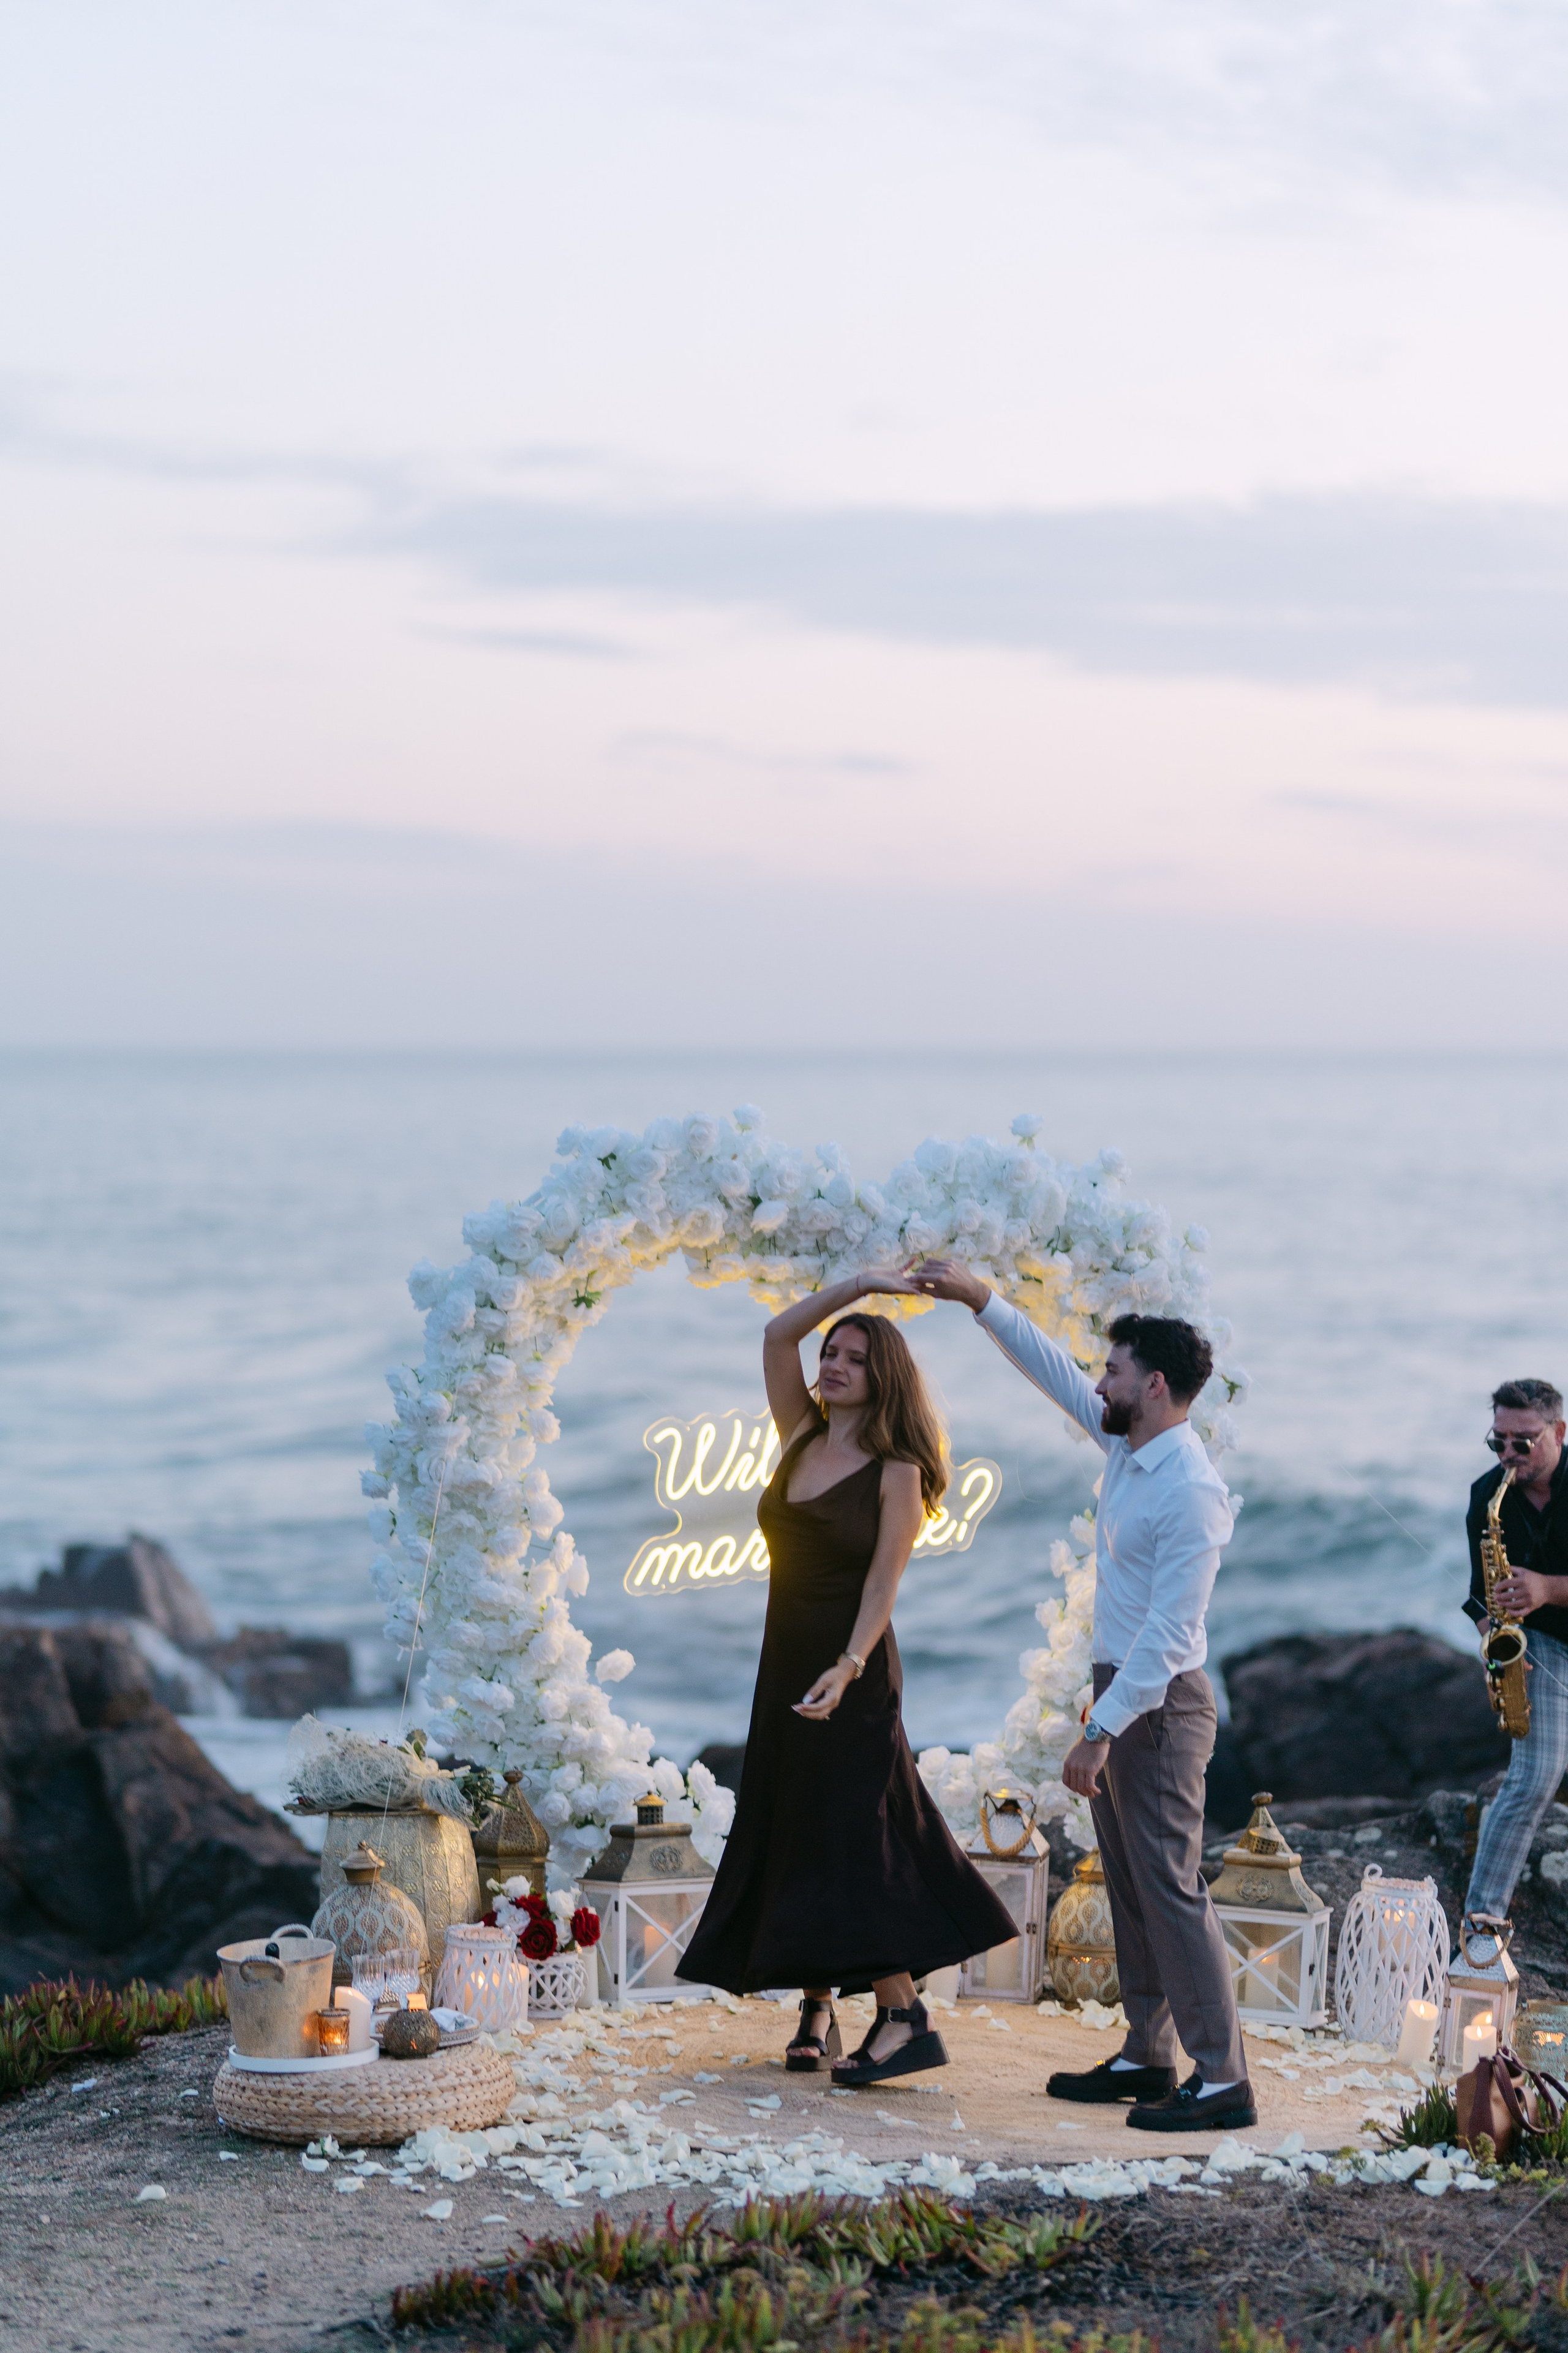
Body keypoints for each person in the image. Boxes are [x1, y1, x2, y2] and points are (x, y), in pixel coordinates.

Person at [910, 1260, 1253, 2132]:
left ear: (1157, 1385)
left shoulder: (1191, 1488)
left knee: (1171, 1886)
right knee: (1134, 1886)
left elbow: (1173, 1637)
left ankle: (1224, 2081)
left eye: (1114, 1371)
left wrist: (1100, 1729)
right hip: (1122, 1692)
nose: (1098, 1381)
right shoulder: (1130, 1450)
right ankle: (1147, 2053)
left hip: (1161, 1704)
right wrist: (979, 1298)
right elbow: (1054, 1371)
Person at [677, 1271, 1016, 2085]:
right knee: (803, 1826)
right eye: (830, 1352)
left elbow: (883, 1583)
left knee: (848, 1839)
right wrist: (860, 1286)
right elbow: (773, 1337)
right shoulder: (800, 1432)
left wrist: (850, 1662)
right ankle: (826, 2006)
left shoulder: (897, 1469)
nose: (831, 1365)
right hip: (785, 1662)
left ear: (883, 1377)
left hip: (852, 1669)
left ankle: (903, 2013)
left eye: (853, 1359)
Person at [1461, 1378, 1568, 1932]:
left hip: (1554, 1614)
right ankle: (1481, 1928)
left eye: (1523, 1442)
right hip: (1540, 1645)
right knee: (1534, 1776)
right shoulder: (1488, 1494)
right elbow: (1481, 1592)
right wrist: (1495, 1644)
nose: (1509, 1455)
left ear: (1559, 1432)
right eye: (1498, 1441)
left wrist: (1548, 1588)